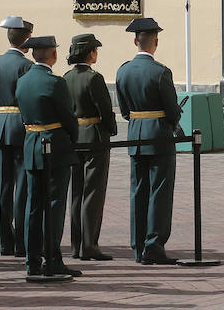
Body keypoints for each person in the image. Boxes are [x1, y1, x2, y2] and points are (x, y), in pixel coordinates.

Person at [115, 17, 181, 266]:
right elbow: (172, 110)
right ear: (156, 42)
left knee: (138, 190)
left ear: (135, 41)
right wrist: (174, 123)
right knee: (159, 192)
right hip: (159, 135)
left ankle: (138, 244)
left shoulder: (123, 71)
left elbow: (123, 110)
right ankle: (154, 245)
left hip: (135, 134)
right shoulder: (161, 72)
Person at [15, 35, 80, 281]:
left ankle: (32, 261)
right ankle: (52, 258)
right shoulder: (55, 83)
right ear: (52, 55)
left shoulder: (22, 82)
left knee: (33, 206)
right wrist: (72, 137)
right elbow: (69, 118)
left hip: (32, 144)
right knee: (54, 205)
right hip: (55, 147)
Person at [65, 33, 115, 261]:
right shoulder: (94, 78)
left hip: (74, 138)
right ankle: (89, 244)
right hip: (94, 137)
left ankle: (76, 245)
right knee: (93, 191)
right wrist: (111, 128)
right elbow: (104, 109)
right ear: (91, 53)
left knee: (76, 192)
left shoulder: (66, 77)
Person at [0, 15, 32, 257]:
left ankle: (5, 240)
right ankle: (22, 242)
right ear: (26, 39)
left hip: (3, 123)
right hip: (21, 125)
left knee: (4, 186)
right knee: (22, 186)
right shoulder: (26, 66)